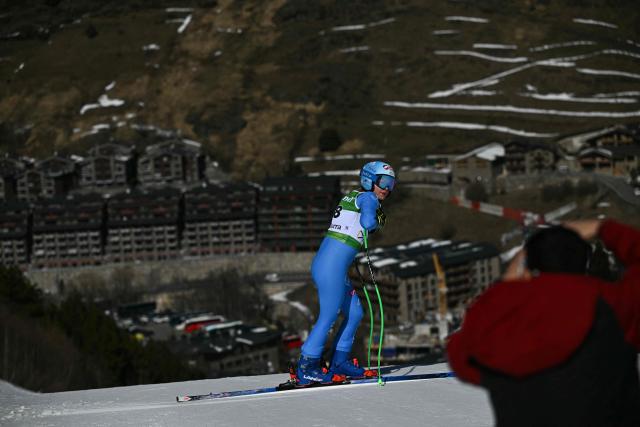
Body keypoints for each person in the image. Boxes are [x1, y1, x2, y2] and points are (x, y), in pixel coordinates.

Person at [447, 219, 640, 426]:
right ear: (583, 264)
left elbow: (460, 355)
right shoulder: (615, 304)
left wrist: (507, 283)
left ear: (528, 267)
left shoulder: (500, 318)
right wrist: (604, 228)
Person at [295, 161, 396, 386]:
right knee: (329, 315)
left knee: (355, 313)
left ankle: (339, 362)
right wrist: (375, 222)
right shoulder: (368, 198)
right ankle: (307, 366)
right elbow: (368, 220)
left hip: (332, 266)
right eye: (384, 182)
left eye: (392, 184)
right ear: (370, 180)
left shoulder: (353, 196)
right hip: (331, 268)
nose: (387, 189)